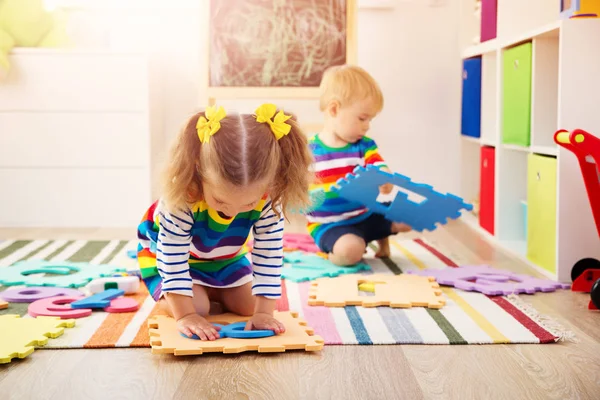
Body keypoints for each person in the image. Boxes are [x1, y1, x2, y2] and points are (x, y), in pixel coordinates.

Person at [136, 103, 313, 340]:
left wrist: (263, 312)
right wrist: (186, 315)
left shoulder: (269, 198)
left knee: (251, 305)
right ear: (199, 171)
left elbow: (269, 254)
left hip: (224, 257)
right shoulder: (182, 198)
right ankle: (193, 295)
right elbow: (172, 258)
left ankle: (211, 291)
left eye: (248, 205)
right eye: (220, 202)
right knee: (197, 308)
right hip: (171, 257)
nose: (234, 212)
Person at [306, 65, 411, 266]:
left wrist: (384, 178)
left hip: (366, 215)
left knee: (408, 214)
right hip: (331, 225)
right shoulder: (310, 152)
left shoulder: (364, 146)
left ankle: (381, 243)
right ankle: (332, 255)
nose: (367, 125)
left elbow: (379, 165)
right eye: (362, 118)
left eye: (370, 119)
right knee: (350, 251)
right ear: (334, 109)